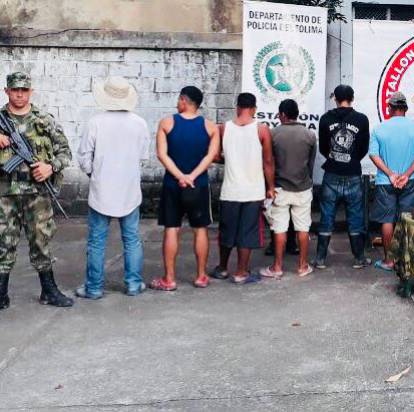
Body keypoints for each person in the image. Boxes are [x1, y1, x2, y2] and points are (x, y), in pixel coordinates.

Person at [0, 72, 73, 310]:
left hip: (37, 194)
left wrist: (50, 167)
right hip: (4, 193)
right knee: (2, 242)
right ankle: (1, 293)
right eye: (15, 90)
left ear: (30, 91)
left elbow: (65, 152)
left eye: (24, 90)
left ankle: (49, 291)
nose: (19, 94)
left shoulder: (44, 120)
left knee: (41, 241)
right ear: (7, 91)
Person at [75, 76, 150, 299]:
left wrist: (94, 173)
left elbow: (84, 157)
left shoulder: (95, 122)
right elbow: (143, 158)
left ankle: (94, 288)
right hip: (129, 191)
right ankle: (134, 284)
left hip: (102, 191)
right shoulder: (140, 123)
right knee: (132, 239)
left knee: (97, 241)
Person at [151, 86, 220, 291]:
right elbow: (210, 157)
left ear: (183, 100)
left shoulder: (167, 123)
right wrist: (192, 176)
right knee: (200, 229)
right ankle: (200, 276)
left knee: (172, 228)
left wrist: (180, 176)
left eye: (178, 100)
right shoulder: (210, 127)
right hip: (198, 185)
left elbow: (162, 155)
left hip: (173, 184)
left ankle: (169, 279)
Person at [208, 93, 274, 284]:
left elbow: (213, 156)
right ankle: (241, 272)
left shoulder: (223, 128)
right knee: (247, 231)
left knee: (227, 230)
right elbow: (268, 162)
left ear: (237, 107)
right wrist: (270, 187)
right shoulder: (262, 130)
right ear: (254, 108)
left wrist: (230, 159)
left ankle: (222, 268)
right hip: (253, 191)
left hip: (230, 190)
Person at [369, 91, 414, 272]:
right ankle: (406, 260)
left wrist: (391, 174)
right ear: (405, 109)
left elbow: (373, 154)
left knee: (387, 220)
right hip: (410, 182)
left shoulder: (379, 129)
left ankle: (389, 261)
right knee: (407, 219)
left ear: (389, 108)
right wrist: (407, 174)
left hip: (385, 181)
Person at [315, 85, 371, 269]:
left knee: (326, 215)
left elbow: (323, 146)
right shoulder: (361, 119)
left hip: (331, 173)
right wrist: (351, 159)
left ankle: (321, 259)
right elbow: (363, 148)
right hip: (353, 173)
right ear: (352, 98)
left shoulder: (325, 119)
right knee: (355, 216)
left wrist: (335, 157)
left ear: (335, 98)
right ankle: (359, 258)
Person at [261, 99, 316, 278]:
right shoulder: (309, 135)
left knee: (279, 228)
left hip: (280, 188)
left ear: (283, 114)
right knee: (303, 228)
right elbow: (311, 165)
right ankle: (302, 266)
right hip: (303, 188)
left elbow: (268, 162)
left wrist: (268, 187)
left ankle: (277, 267)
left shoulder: (273, 134)